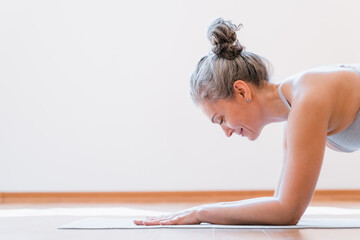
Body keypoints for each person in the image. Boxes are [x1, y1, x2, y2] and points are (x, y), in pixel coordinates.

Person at [134, 18, 360, 226]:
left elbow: (288, 211)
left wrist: (200, 213)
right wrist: (201, 210)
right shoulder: (295, 117)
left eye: (221, 119)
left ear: (241, 91)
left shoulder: (308, 99)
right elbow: (279, 203)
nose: (227, 132)